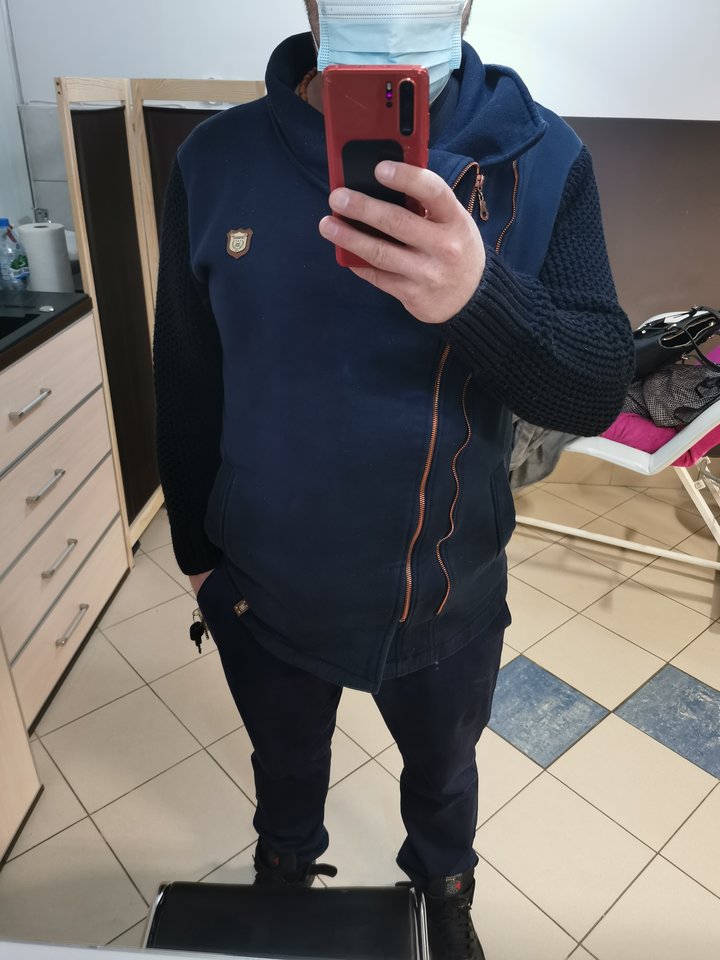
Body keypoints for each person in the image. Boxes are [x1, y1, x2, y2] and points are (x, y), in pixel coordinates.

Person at [153, 2, 635, 957]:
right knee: (285, 764)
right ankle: (286, 868)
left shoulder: (541, 157)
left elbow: (595, 386)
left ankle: (445, 891)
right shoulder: (215, 160)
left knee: (445, 776)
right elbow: (186, 373)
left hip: (447, 584)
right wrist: (198, 556)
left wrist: (478, 295)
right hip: (266, 584)